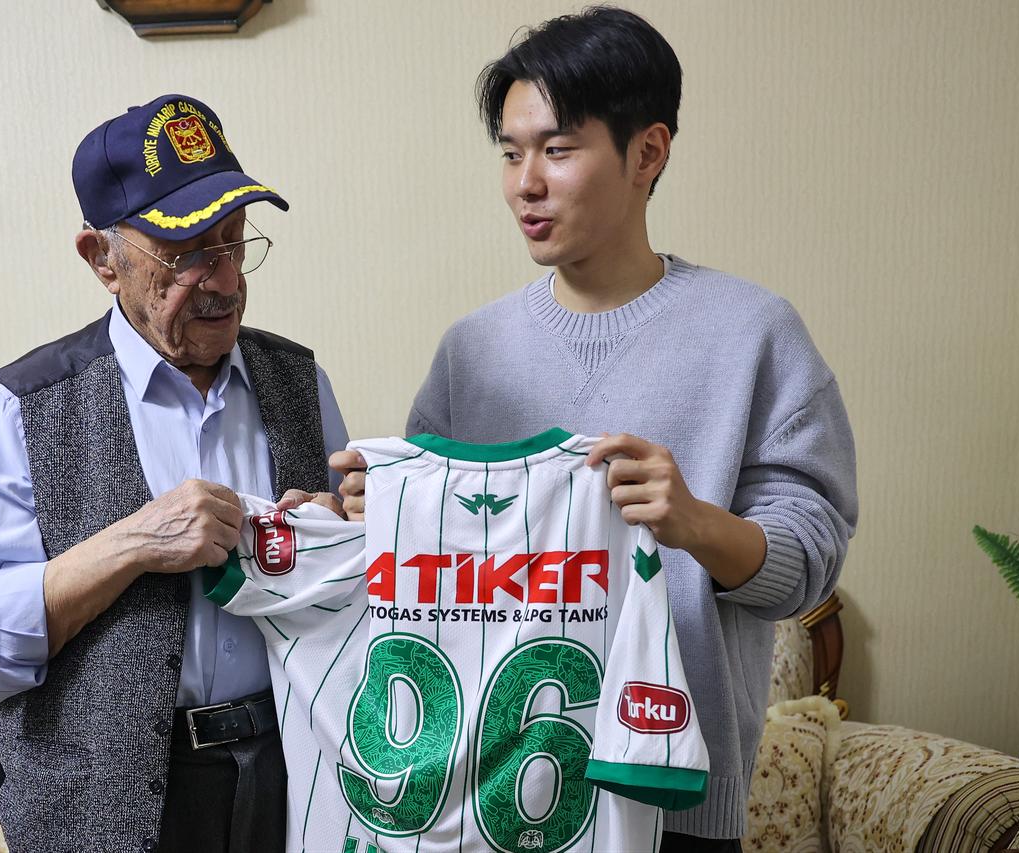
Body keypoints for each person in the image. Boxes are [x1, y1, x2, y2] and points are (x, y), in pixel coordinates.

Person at [331, 8, 858, 851]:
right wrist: (372, 513)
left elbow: (809, 561)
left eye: (558, 149)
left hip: (672, 802)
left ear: (647, 153)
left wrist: (695, 521)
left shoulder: (753, 333)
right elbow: (426, 572)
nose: (525, 183)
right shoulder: (471, 351)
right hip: (486, 800)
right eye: (510, 153)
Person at [0, 94, 347, 853]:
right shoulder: (27, 406)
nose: (224, 279)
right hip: (103, 802)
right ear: (103, 258)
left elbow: (355, 599)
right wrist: (134, 543)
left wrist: (342, 537)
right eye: (187, 252)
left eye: (234, 240)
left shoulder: (301, 382)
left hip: (293, 780)